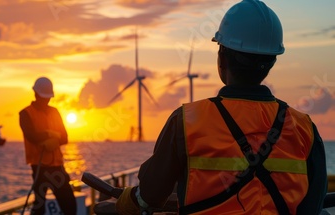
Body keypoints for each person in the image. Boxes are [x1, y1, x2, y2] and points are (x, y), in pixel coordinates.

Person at [115, 0, 327, 214]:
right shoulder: (303, 128)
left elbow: (151, 194)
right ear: (272, 62)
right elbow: (313, 204)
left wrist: (127, 201)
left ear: (222, 58)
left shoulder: (187, 121)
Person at [19, 77, 77, 215]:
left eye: (48, 98)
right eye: (44, 97)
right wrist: (49, 134)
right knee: (39, 207)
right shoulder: (25, 114)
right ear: (36, 94)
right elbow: (31, 136)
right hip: (39, 168)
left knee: (69, 205)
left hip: (57, 167)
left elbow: (65, 137)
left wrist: (53, 138)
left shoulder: (54, 112)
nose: (46, 101)